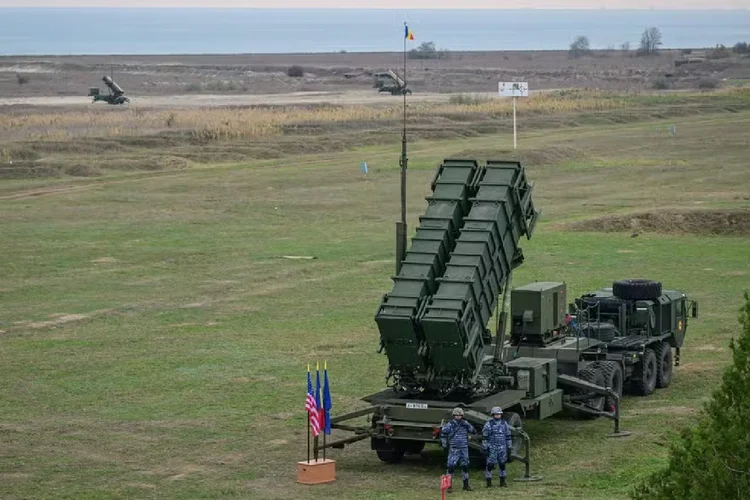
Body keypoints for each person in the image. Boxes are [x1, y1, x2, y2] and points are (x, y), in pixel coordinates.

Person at [440, 407, 476, 492]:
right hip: (454, 448)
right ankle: (449, 486)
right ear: (454, 416)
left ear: (462, 416)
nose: (458, 417)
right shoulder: (450, 424)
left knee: (465, 467)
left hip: (464, 448)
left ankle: (466, 485)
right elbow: (443, 433)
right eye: (456, 415)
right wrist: (444, 444)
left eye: (460, 415)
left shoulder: (465, 423)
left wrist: (467, 425)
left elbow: (473, 431)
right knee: (450, 467)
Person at [482, 406, 513, 488]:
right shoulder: (488, 424)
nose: (498, 416)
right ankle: (489, 483)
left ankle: (502, 482)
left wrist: (509, 447)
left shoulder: (504, 423)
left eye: (499, 414)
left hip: (502, 448)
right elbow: (485, 437)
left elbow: (508, 436)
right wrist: (485, 448)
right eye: (496, 414)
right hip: (492, 448)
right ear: (493, 415)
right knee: (490, 465)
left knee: (502, 465)